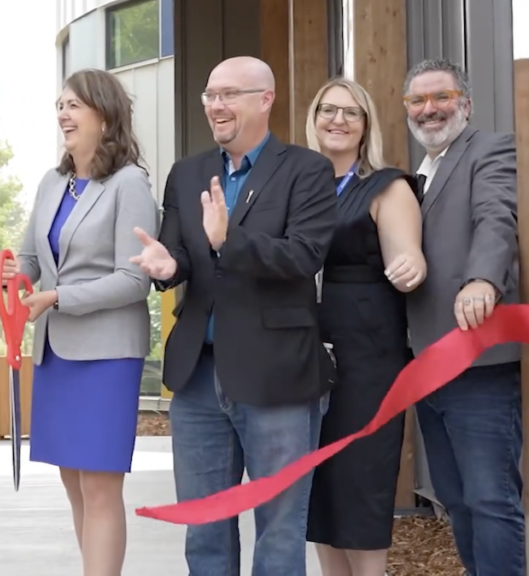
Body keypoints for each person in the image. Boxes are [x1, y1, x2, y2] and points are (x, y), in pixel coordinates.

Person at [130, 56, 337, 575]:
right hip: (199, 376)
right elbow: (178, 254)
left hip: (278, 376)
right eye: (209, 96)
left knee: (280, 527)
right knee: (204, 529)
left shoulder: (306, 170)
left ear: (265, 99)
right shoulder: (189, 172)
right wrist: (166, 264)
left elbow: (305, 256)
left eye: (229, 95)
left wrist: (229, 241)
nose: (216, 106)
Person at [0, 68, 159, 576]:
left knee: (100, 486)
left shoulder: (130, 183)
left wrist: (56, 297)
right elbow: (29, 256)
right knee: (73, 482)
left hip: (107, 355)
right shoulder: (52, 182)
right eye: (60, 106)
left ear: (105, 115)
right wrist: (15, 276)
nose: (63, 115)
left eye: (74, 105)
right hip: (55, 353)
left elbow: (133, 281)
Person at [402, 59, 524, 576]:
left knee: (491, 499)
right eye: (417, 101)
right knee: (456, 496)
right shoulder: (416, 177)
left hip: (479, 363)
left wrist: (483, 280)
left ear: (465, 104)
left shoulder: (490, 150)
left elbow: (496, 216)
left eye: (442, 97)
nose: (429, 109)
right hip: (428, 367)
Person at [301, 77, 426, 576]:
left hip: (367, 361)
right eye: (328, 110)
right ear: (313, 121)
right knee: (320, 488)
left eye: (351, 113)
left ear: (366, 126)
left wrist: (410, 265)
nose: (338, 120)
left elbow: (407, 255)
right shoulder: (296, 188)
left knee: (359, 483)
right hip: (305, 356)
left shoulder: (386, 186)